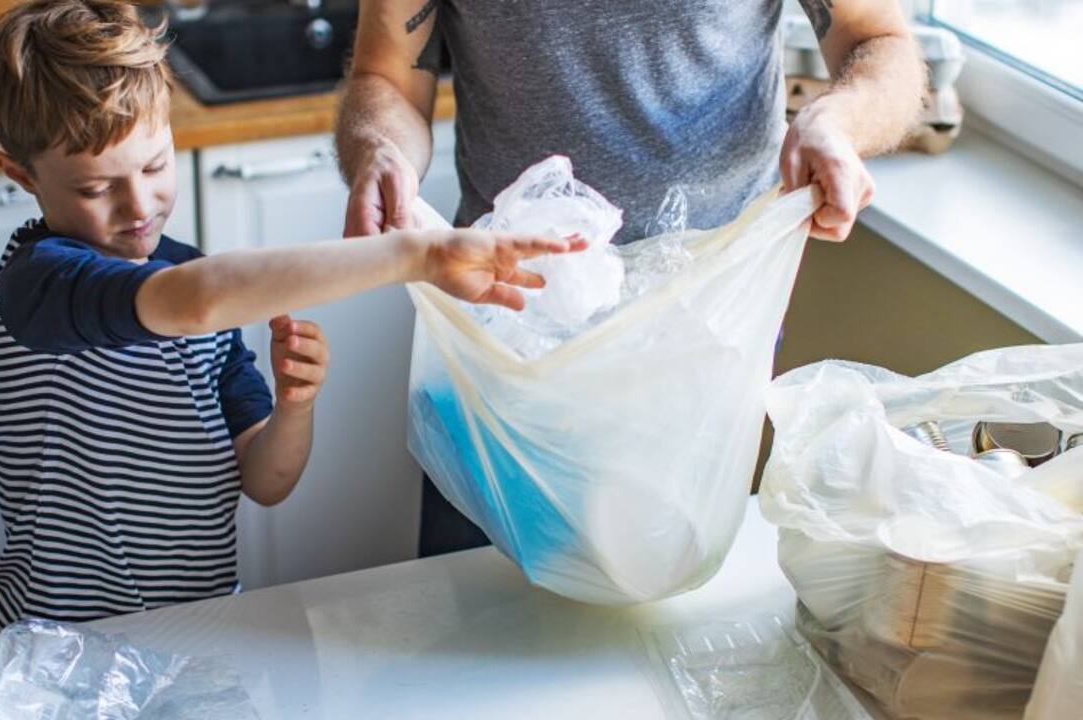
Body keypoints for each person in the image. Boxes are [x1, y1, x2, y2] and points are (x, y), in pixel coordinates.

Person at [0, 0, 586, 635]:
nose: (138, 205)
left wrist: (295, 408)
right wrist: (416, 254)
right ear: (20, 174)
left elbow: (266, 481)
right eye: (96, 189)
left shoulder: (203, 292)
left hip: (203, 626)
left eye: (155, 166)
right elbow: (194, 300)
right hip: (53, 637)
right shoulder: (40, 282)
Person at [336, 0, 926, 557]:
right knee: (476, 612)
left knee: (671, 615)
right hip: (508, 328)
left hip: (705, 329)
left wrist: (836, 121)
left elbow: (877, 39)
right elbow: (386, 76)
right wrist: (379, 152)